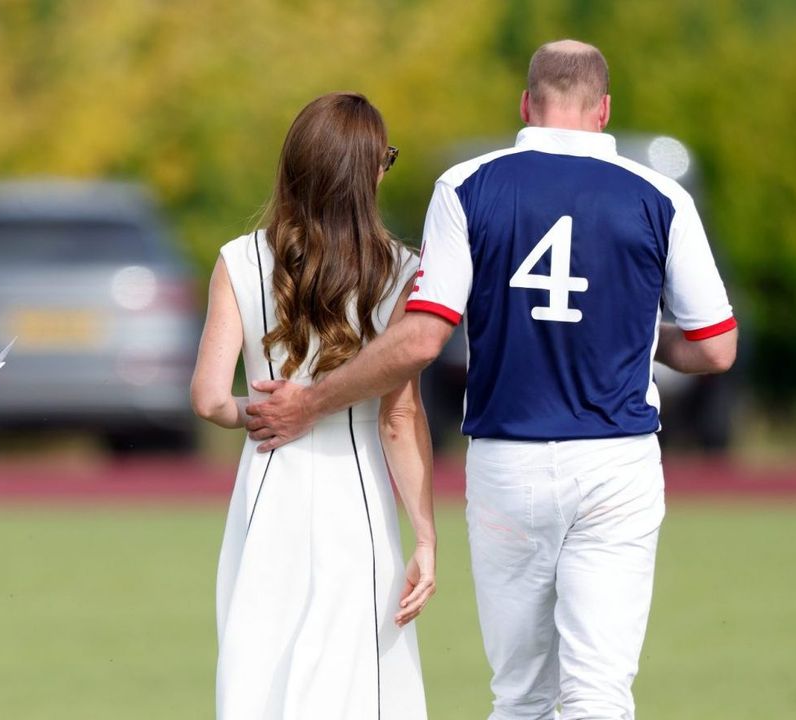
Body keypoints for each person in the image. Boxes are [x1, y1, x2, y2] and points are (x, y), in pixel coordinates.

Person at [246, 41, 738, 719]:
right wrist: (629, 334)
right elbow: (716, 348)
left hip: (509, 463)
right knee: (598, 692)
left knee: (521, 694)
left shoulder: (467, 185)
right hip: (616, 464)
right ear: (604, 110)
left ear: (525, 105)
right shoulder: (662, 195)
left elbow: (421, 338)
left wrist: (312, 402)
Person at [190, 92, 436, 719]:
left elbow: (210, 398)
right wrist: (426, 535)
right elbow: (398, 416)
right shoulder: (400, 270)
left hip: (268, 485)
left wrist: (263, 411)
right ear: (366, 172)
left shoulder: (239, 259)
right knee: (357, 681)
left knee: (256, 670)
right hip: (356, 497)